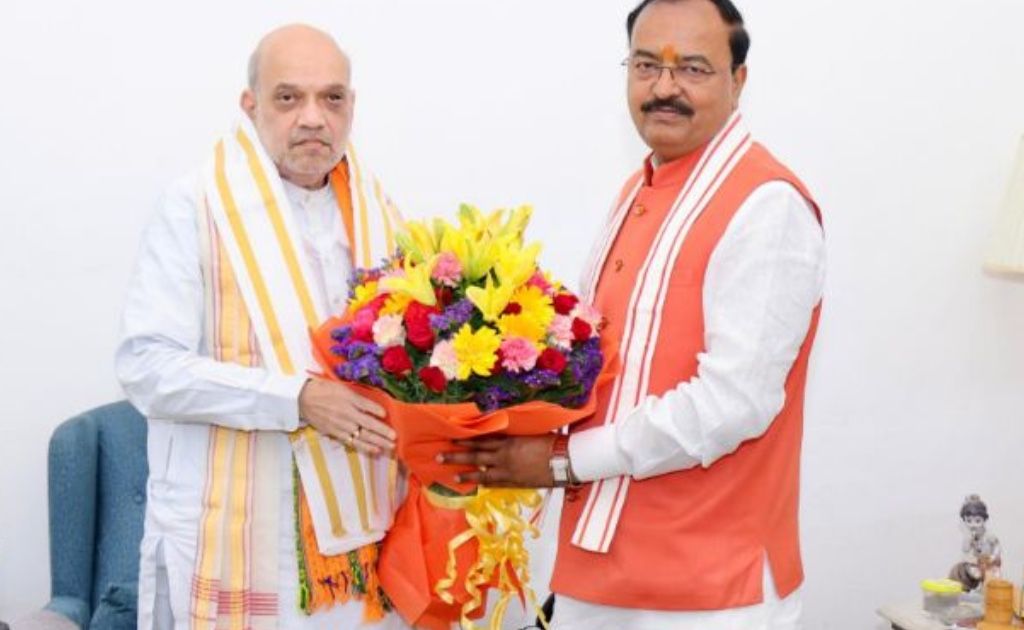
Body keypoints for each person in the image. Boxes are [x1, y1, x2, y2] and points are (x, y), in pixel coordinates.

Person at [443, 1, 826, 627]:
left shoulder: (766, 205)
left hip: (708, 586)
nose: (665, 88)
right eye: (647, 65)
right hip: (599, 569)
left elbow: (733, 403)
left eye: (693, 69)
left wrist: (563, 461)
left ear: (738, 81)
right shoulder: (640, 189)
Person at [116, 24, 409, 629]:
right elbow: (147, 368)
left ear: (352, 106)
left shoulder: (381, 217)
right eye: (288, 98)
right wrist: (296, 398)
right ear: (250, 106)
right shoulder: (196, 207)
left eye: (331, 98)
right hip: (242, 531)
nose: (313, 118)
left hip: (364, 540)